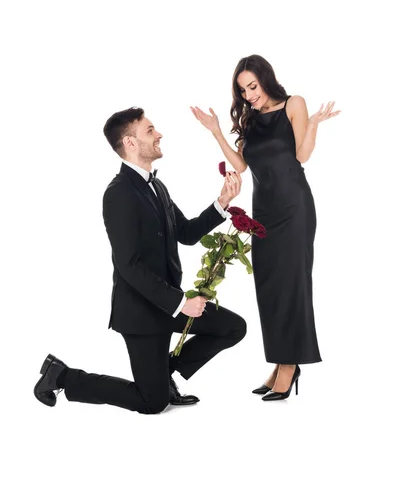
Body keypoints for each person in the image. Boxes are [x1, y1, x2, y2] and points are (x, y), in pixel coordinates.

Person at [33, 107, 246, 414]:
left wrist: (222, 201)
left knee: (233, 327)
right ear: (130, 143)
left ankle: (164, 372)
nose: (158, 134)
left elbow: (185, 233)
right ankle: (62, 375)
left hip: (168, 305)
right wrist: (180, 302)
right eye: (150, 130)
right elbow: (128, 265)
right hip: (141, 313)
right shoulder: (118, 193)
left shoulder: (156, 186)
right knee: (153, 402)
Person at [191, 55, 340, 401]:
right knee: (268, 287)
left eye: (253, 87)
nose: (249, 95)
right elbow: (242, 166)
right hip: (263, 215)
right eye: (243, 90)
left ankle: (290, 365)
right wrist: (215, 131)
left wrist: (314, 123)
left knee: (292, 284)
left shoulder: (294, 104)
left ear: (266, 80)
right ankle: (279, 360)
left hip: (294, 209)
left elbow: (302, 156)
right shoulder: (251, 120)